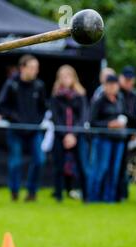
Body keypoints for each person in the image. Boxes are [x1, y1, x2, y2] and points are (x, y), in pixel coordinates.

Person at [0, 55, 47, 201]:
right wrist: (15, 118)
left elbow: (43, 107)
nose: (35, 71)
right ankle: (14, 192)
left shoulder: (39, 85)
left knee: (40, 160)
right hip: (16, 130)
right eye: (32, 67)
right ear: (22, 68)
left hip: (34, 130)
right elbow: (2, 105)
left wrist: (36, 122)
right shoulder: (11, 84)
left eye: (36, 68)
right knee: (15, 162)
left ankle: (32, 192)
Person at [50, 65, 88, 202]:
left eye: (68, 76)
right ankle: (59, 195)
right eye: (63, 76)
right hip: (61, 135)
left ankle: (86, 196)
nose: (66, 79)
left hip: (78, 136)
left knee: (82, 166)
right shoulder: (55, 96)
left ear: (74, 78)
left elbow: (83, 116)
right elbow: (55, 117)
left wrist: (73, 135)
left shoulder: (80, 95)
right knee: (58, 166)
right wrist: (66, 134)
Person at [88, 74, 127, 202]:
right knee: (101, 168)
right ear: (105, 86)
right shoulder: (99, 101)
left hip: (119, 139)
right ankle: (94, 197)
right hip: (103, 139)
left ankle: (109, 197)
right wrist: (108, 124)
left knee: (114, 170)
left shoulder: (120, 99)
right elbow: (92, 122)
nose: (112, 87)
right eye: (109, 85)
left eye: (115, 85)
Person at [117, 65, 136, 201]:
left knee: (124, 165)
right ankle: (116, 194)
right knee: (116, 165)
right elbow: (122, 112)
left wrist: (134, 131)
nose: (129, 82)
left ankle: (123, 194)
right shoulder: (117, 92)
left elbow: (133, 114)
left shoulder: (134, 94)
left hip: (127, 134)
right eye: (126, 79)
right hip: (116, 134)